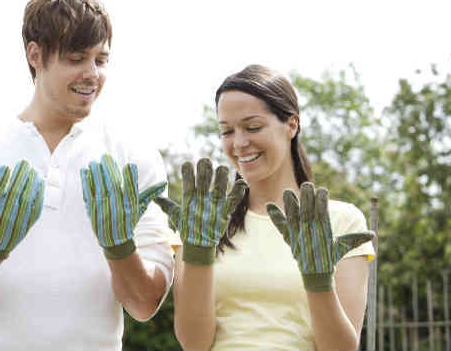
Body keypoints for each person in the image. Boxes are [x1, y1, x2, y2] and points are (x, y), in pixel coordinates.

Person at [0, 0, 176, 350]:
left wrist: (120, 247)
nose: (92, 74)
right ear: (35, 55)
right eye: (76, 59)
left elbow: (145, 304)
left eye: (101, 60)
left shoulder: (134, 155)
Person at [155, 64, 375, 351]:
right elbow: (195, 344)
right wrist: (197, 251)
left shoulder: (339, 221)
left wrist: (318, 281)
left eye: (253, 127)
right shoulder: (203, 224)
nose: (240, 143)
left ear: (291, 125)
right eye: (227, 131)